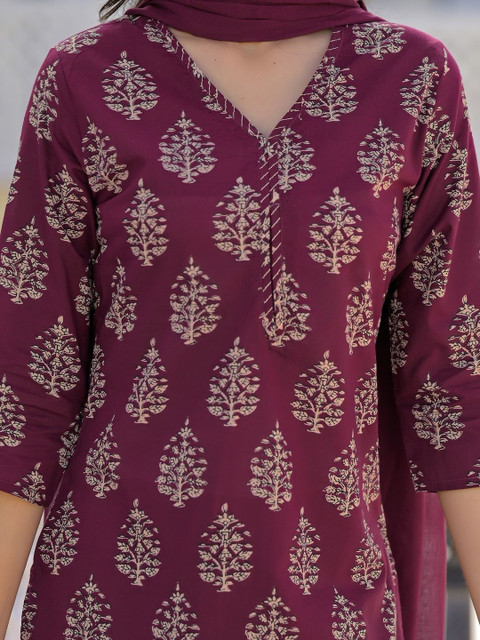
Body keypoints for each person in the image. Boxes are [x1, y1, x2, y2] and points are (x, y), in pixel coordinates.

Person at [0, 0, 479, 638]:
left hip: (331, 598)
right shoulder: (87, 74)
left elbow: (454, 379)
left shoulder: (412, 77)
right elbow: (26, 386)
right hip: (110, 600)